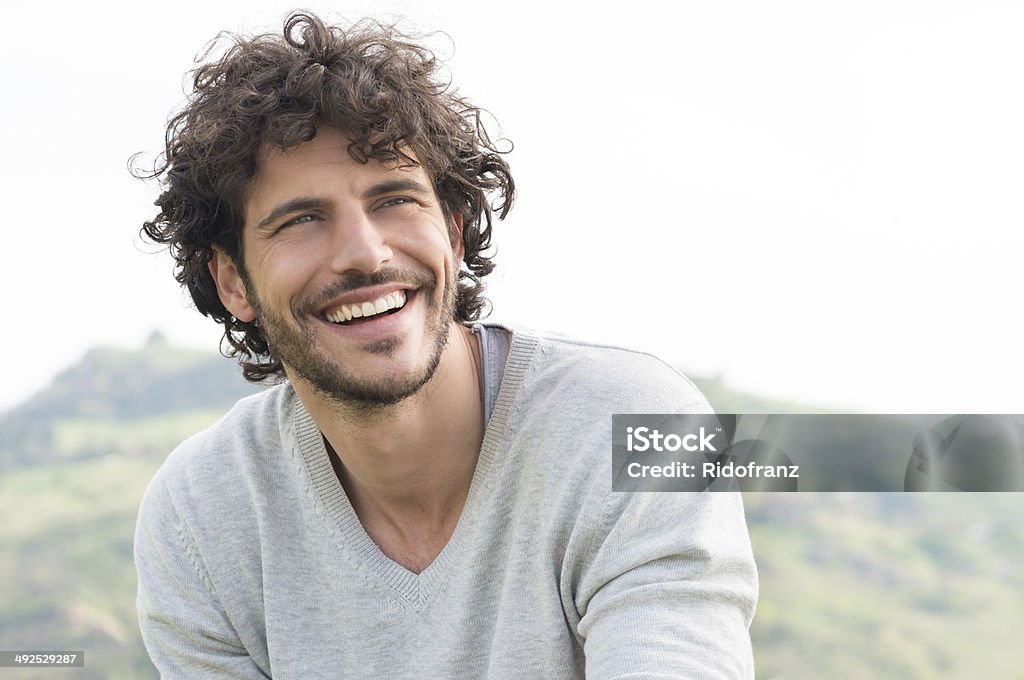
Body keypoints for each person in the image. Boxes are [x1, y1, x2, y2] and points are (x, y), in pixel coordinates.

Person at [133, 10, 758, 679]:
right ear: (233, 281)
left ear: (454, 237)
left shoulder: (633, 426)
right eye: (302, 219)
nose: (364, 254)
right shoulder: (201, 515)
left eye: (394, 200)